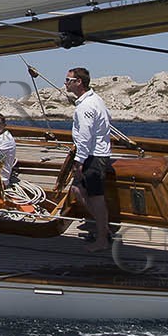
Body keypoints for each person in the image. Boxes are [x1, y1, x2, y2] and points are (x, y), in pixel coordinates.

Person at [66, 67, 114, 252]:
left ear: (79, 82)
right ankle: (104, 228)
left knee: (96, 198)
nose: (65, 83)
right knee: (78, 189)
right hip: (96, 155)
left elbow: (85, 136)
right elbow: (107, 119)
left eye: (68, 79)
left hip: (93, 157)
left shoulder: (86, 106)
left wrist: (79, 161)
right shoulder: (96, 100)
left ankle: (102, 238)